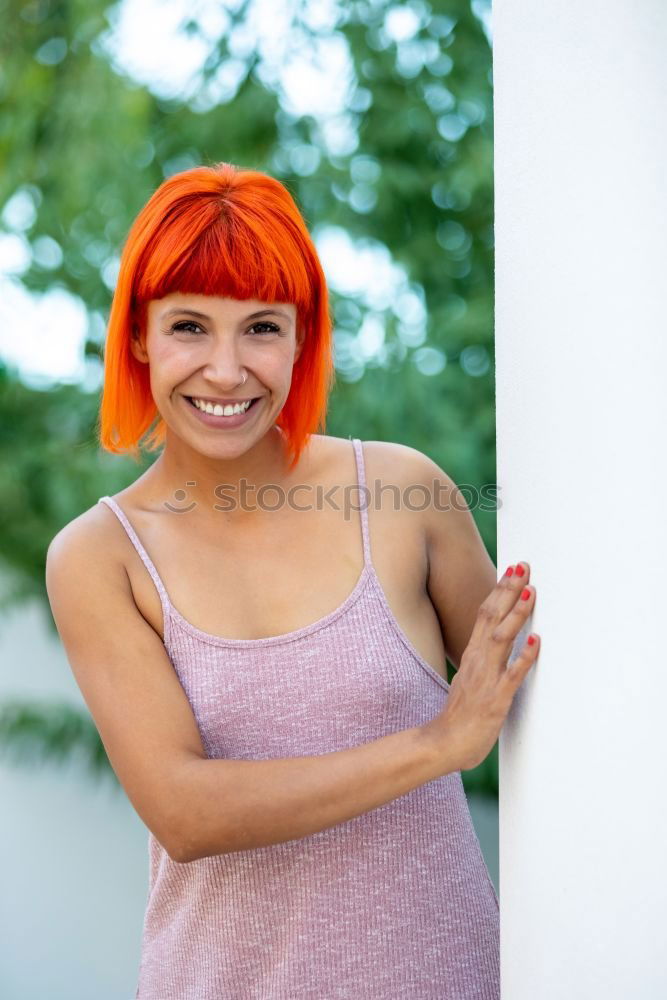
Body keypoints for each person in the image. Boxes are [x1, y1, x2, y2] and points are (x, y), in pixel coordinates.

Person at [45, 161, 539, 1000]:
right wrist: (434, 747)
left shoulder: (405, 494)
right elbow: (185, 811)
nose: (228, 371)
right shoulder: (100, 556)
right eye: (190, 327)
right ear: (137, 336)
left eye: (262, 328)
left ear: (302, 338)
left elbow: (538, 705)